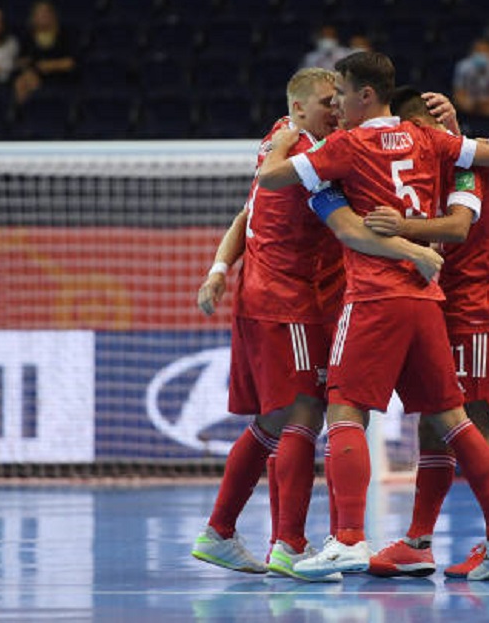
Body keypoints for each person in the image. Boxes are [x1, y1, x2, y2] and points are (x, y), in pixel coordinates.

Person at [257, 51, 489, 581]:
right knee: (450, 420)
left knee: (345, 410)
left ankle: (348, 540)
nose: (336, 107)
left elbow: (270, 180)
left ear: (365, 95)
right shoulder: (428, 140)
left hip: (377, 296)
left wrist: (284, 138)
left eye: (341, 96)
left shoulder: (347, 145)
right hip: (427, 298)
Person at [190, 68, 444, 581]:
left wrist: (218, 269)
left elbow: (245, 214)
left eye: (339, 98)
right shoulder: (312, 160)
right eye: (328, 101)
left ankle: (230, 533)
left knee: (275, 420)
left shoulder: (278, 139)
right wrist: (414, 249)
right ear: (299, 108)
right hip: (287, 301)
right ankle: (286, 543)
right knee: (303, 412)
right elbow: (349, 230)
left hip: (270, 297)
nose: (336, 108)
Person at [361, 88, 489, 579]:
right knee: (433, 426)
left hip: (478, 313)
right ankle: (418, 543)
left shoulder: (466, 161)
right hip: (448, 311)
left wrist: (399, 228)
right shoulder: (430, 165)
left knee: (474, 425)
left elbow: (457, 229)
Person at [13, 0, 76, 104]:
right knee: (21, 81)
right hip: (34, 76)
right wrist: (24, 65)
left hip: (59, 76)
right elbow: (20, 60)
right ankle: (22, 110)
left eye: (46, 13)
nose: (43, 16)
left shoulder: (64, 35)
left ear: (53, 16)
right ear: (34, 17)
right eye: (40, 13)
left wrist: (50, 65)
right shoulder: (27, 37)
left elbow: (71, 62)